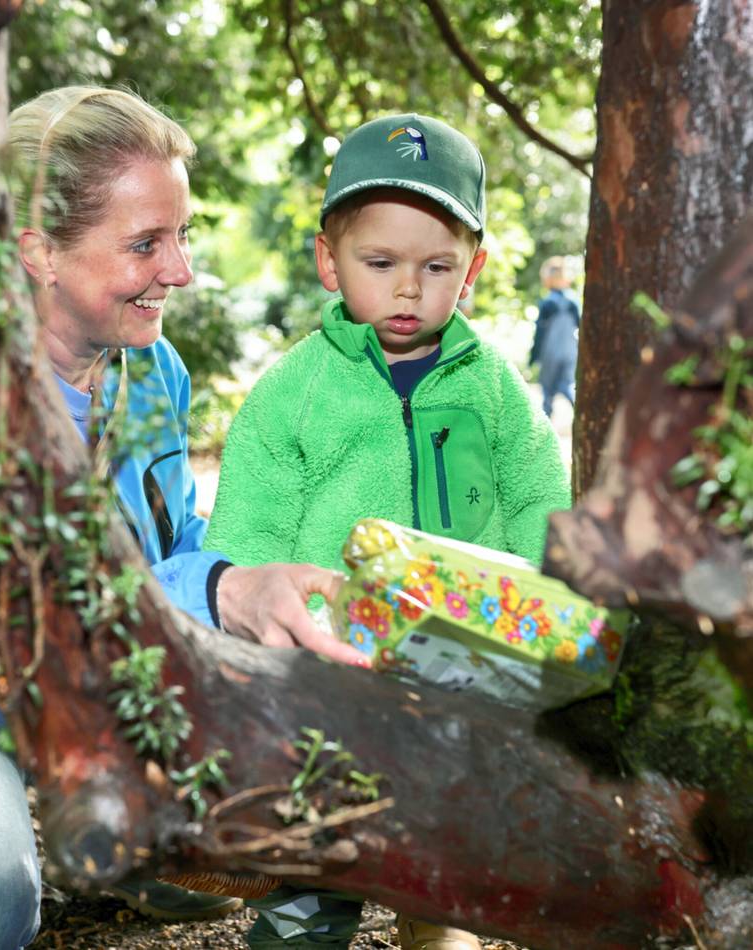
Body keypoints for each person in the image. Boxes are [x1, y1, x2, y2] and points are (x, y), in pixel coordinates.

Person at [0, 85, 369, 950]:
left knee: (315, 786)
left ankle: (134, 849)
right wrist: (221, 592)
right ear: (38, 252)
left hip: (93, 701)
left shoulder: (153, 370)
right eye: (145, 243)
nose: (180, 271)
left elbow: (172, 547)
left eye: (182, 235)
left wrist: (257, 617)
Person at [205, 114, 571, 950]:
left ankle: (436, 925)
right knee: (314, 855)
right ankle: (302, 922)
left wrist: (545, 619)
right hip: (328, 682)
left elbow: (540, 504)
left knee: (445, 853)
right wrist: (264, 661)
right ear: (328, 260)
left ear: (472, 271)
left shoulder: (494, 390)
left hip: (464, 677)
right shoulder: (293, 393)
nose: (409, 289)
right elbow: (250, 535)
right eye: (380, 264)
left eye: (436, 267)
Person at [528, 256, 581, 417]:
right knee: (568, 385)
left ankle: (546, 425)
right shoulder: (573, 302)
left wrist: (533, 358)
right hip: (570, 352)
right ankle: (581, 414)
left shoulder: (548, 303)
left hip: (550, 353)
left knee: (547, 391)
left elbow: (540, 334)